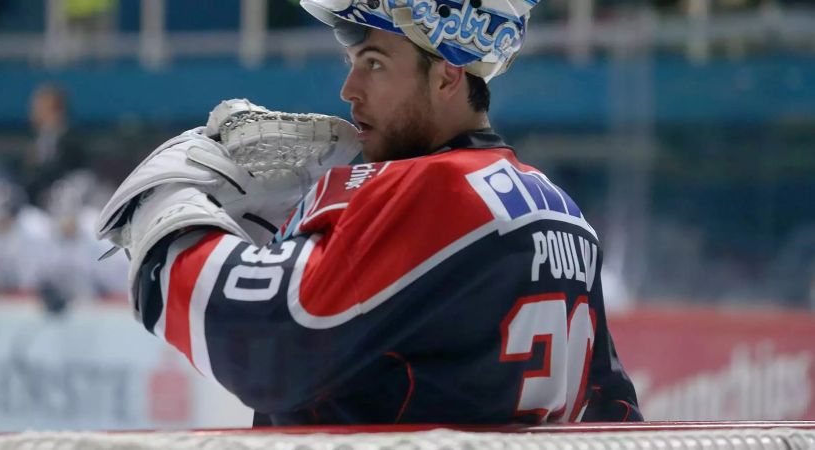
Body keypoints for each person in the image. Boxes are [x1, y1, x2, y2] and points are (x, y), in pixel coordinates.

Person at [97, 0, 642, 426]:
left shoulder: (436, 190)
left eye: (374, 64)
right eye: (353, 63)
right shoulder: (563, 212)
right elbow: (613, 413)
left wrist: (166, 214)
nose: (348, 89)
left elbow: (271, 343)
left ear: (449, 75)